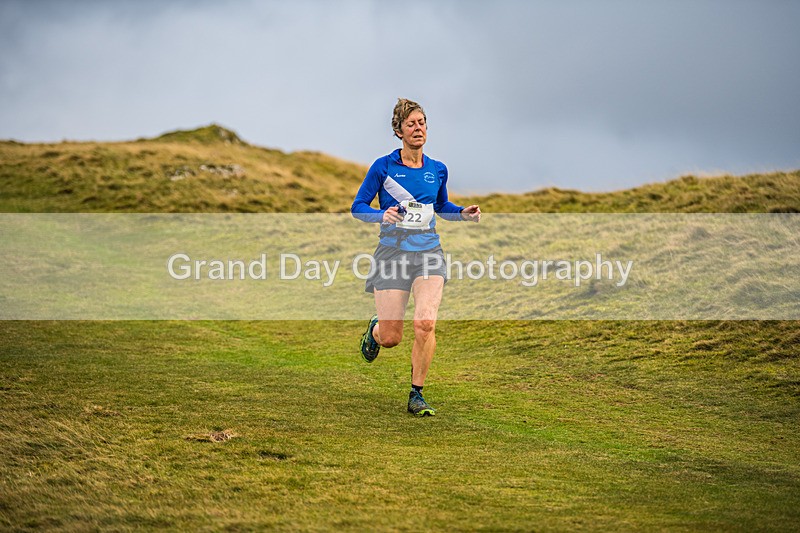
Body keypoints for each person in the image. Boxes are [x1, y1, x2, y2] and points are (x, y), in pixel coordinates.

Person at [351, 98, 480, 416]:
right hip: (392, 253)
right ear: (399, 131)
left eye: (421, 122)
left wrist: (461, 213)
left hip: (429, 252)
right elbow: (358, 207)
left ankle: (416, 394)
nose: (418, 128)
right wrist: (381, 215)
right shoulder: (383, 167)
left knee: (425, 323)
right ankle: (376, 330)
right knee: (391, 337)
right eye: (411, 124)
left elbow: (441, 206)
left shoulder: (437, 170)